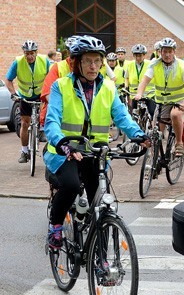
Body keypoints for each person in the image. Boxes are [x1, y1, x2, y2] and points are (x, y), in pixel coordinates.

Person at [44, 35, 149, 249]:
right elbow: (51, 121)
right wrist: (64, 143)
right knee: (72, 185)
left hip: (95, 152)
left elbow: (121, 116)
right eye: (88, 61)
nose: (93, 66)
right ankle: (55, 227)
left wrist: (139, 135)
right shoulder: (60, 86)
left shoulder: (108, 88)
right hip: (64, 151)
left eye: (97, 61)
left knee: (100, 201)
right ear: (77, 63)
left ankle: (100, 259)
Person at [133, 37, 184, 157]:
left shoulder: (182, 65)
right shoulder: (154, 64)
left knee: (175, 115)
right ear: (160, 52)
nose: (167, 54)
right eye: (164, 51)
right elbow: (144, 82)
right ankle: (156, 159)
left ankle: (179, 143)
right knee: (156, 132)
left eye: (170, 51)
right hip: (161, 102)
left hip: (178, 100)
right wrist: (139, 93)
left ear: (174, 52)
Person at [5, 40, 51, 163]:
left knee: (45, 114)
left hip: (41, 95)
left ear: (36, 52)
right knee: (25, 123)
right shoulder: (18, 62)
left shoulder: (44, 60)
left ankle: (42, 130)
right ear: (24, 53)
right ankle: (24, 151)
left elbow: (52, 76)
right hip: (25, 96)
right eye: (27, 53)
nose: (29, 56)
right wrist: (14, 94)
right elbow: (8, 80)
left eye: (32, 53)